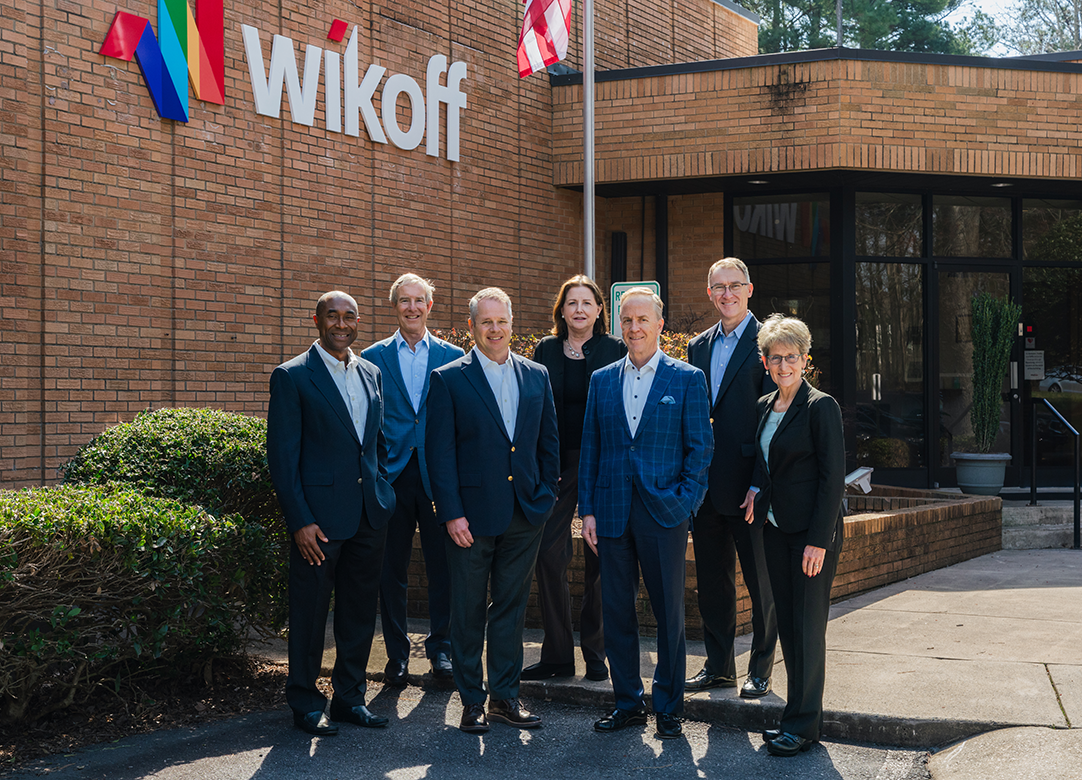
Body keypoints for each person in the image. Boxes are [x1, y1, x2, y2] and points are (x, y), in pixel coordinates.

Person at [578, 288, 713, 740]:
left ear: (660, 324)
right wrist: (588, 512)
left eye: (643, 320)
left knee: (669, 614)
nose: (635, 328)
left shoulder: (687, 379)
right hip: (612, 512)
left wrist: (683, 503)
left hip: (664, 513)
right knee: (616, 613)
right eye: (627, 320)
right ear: (619, 325)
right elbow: (591, 451)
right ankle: (628, 703)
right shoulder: (602, 379)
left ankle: (669, 707)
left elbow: (700, 450)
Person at [426, 287, 560, 734]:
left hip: (525, 512)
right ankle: (471, 701)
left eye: (502, 321)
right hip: (469, 517)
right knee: (466, 611)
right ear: (472, 327)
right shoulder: (448, 378)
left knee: (511, 608)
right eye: (487, 322)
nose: (496, 329)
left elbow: (548, 444)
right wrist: (450, 513)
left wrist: (545, 496)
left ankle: (505, 696)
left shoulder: (536, 374)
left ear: (511, 323)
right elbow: (439, 453)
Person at [267, 290, 396, 736]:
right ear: (317, 320)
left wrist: (384, 491)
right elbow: (283, 459)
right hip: (318, 524)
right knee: (308, 613)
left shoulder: (372, 373)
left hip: (368, 517)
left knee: (359, 613)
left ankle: (349, 698)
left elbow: (376, 442)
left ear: (358, 322)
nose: (342, 324)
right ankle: (304, 701)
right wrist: (300, 520)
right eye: (332, 316)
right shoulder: (292, 377)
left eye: (350, 317)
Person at [362, 273, 465, 686]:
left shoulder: (454, 355)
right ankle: (397, 656)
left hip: (439, 475)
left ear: (429, 305)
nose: (412, 307)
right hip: (394, 475)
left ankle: (442, 651)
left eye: (419, 300)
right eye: (404, 301)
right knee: (393, 569)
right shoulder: (372, 357)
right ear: (395, 307)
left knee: (444, 568)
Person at [523, 276, 626, 683]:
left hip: (603, 464)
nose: (579, 309)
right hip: (555, 464)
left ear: (600, 310)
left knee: (601, 558)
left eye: (587, 302)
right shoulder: (544, 351)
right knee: (549, 554)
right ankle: (558, 655)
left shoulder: (614, 350)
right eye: (572, 303)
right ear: (561, 311)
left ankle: (596, 654)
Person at [752, 314, 845, 757]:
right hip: (775, 530)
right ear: (765, 361)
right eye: (775, 357)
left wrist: (819, 540)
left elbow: (833, 479)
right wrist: (755, 487)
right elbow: (765, 463)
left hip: (811, 536)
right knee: (788, 627)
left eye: (791, 357)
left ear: (805, 359)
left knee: (808, 630)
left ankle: (805, 728)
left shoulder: (820, 406)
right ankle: (794, 717)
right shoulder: (765, 406)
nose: (783, 364)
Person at [685, 258, 778, 699]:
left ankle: (760, 668)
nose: (727, 294)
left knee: (761, 584)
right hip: (705, 487)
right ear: (709, 293)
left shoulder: (769, 344)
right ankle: (719, 667)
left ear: (750, 289)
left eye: (734, 286)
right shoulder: (697, 347)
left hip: (749, 488)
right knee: (713, 584)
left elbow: (774, 419)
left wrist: (761, 482)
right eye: (718, 287)